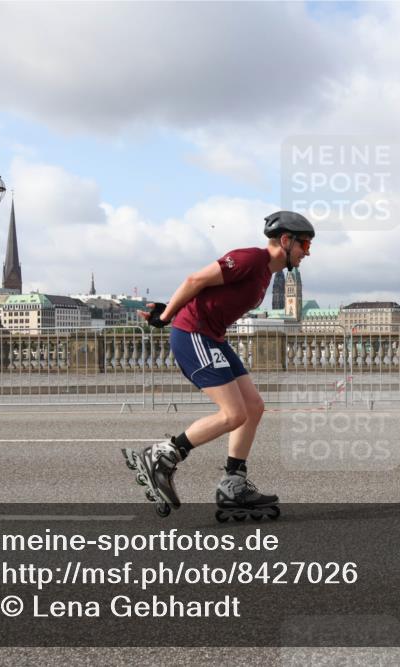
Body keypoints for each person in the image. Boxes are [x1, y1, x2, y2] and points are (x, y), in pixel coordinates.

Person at [130, 211, 314, 521]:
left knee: (253, 406)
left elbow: (208, 294)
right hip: (194, 335)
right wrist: (166, 316)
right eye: (304, 245)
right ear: (285, 240)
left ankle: (233, 484)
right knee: (233, 414)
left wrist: (171, 310)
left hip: (213, 337)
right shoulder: (250, 259)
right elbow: (196, 280)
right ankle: (163, 454)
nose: (307, 252)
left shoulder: (267, 274)